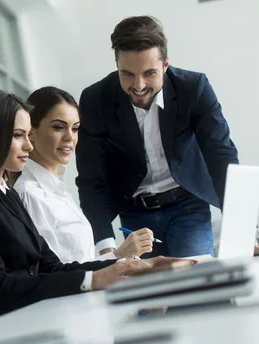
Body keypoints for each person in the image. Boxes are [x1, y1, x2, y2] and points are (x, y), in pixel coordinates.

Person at [0, 90, 181, 323]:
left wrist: (128, 265)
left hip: (31, 319)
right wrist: (92, 280)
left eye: (27, 135)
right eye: (18, 135)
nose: (29, 146)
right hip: (2, 328)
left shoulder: (6, 193)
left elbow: (50, 267)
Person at [76, 16, 239, 258]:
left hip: (187, 205)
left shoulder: (194, 88)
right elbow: (91, 179)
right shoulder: (95, 101)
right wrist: (105, 247)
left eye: (149, 73)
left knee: (198, 282)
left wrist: (241, 229)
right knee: (150, 290)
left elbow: (220, 155)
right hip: (133, 212)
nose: (138, 85)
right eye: (127, 74)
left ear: (165, 65)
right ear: (116, 65)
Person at [14, 86, 154, 263]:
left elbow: (77, 264)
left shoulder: (58, 191)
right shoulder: (30, 194)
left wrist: (123, 259)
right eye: (58, 127)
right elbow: (52, 275)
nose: (69, 138)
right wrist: (118, 256)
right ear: (31, 132)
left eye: (75, 129)